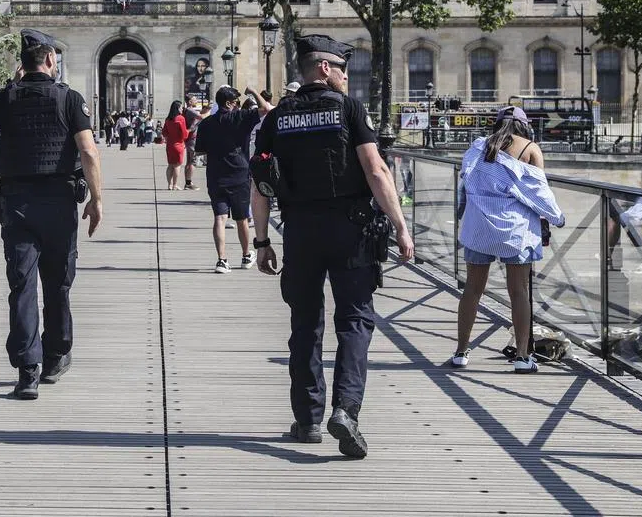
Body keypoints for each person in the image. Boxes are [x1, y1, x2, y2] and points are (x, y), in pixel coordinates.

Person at [251, 34, 413, 460]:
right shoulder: (349, 109)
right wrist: (400, 225)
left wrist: (262, 240)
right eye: (342, 69)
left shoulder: (277, 117)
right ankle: (346, 410)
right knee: (355, 321)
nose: (345, 77)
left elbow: (260, 183)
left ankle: (307, 419)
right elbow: (375, 169)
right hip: (351, 228)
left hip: (300, 230)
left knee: (305, 324)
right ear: (325, 69)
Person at [0, 29, 103, 400]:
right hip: (59, 202)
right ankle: (56, 355)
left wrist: (9, 86)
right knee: (58, 282)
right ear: (51, 59)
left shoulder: (6, 98)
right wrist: (97, 199)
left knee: (22, 285)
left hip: (16, 202)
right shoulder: (69, 99)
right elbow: (89, 152)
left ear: (24, 62)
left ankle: (27, 369)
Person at [452, 106, 565, 374]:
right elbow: (539, 193)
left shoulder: (478, 147)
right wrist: (558, 218)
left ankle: (460, 352)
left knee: (472, 289)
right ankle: (523, 357)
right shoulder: (530, 149)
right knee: (519, 292)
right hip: (515, 231)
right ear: (524, 127)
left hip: (479, 228)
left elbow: (464, 185)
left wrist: (461, 212)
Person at [194, 84, 269, 273]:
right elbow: (266, 108)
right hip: (239, 174)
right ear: (228, 103)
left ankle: (222, 260)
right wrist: (253, 91)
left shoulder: (206, 123)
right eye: (235, 102)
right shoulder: (240, 117)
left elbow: (201, 150)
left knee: (219, 218)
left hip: (215, 175)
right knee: (242, 218)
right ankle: (245, 256)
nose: (237, 105)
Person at [162, 101, 188, 190]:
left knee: (170, 165)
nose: (182, 109)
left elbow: (164, 132)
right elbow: (184, 134)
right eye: (181, 107)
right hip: (179, 144)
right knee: (177, 165)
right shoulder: (181, 118)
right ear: (177, 108)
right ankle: (175, 185)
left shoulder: (168, 119)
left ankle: (169, 184)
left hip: (169, 144)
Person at [182, 95, 202, 190]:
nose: (196, 100)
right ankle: (189, 183)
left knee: (189, 161)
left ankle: (188, 182)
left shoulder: (186, 111)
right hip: (192, 139)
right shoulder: (190, 110)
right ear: (190, 102)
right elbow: (201, 117)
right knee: (192, 162)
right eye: (194, 99)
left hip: (189, 138)